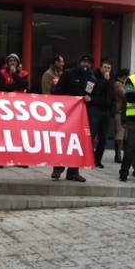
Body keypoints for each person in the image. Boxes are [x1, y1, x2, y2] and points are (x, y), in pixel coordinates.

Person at [51, 54, 97, 182]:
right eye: (84, 62)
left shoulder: (92, 78)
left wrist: (91, 98)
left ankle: (73, 171)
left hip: (82, 116)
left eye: (89, 63)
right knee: (63, 140)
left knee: (77, 142)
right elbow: (58, 91)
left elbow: (96, 96)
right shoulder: (69, 74)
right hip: (66, 113)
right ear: (80, 62)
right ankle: (58, 168)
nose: (86, 65)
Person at [89, 59, 115, 168]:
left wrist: (112, 111)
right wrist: (104, 80)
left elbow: (112, 96)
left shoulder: (111, 80)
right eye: (105, 67)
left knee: (103, 139)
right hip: (96, 110)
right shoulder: (93, 78)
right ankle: (88, 158)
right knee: (91, 136)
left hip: (106, 111)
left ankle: (97, 160)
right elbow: (95, 91)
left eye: (109, 68)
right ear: (100, 68)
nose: (107, 70)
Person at [113, 68, 130, 163]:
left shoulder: (123, 84)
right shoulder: (118, 84)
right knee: (120, 133)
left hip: (124, 111)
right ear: (124, 75)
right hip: (119, 111)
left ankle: (121, 155)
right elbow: (125, 95)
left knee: (124, 134)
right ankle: (118, 155)